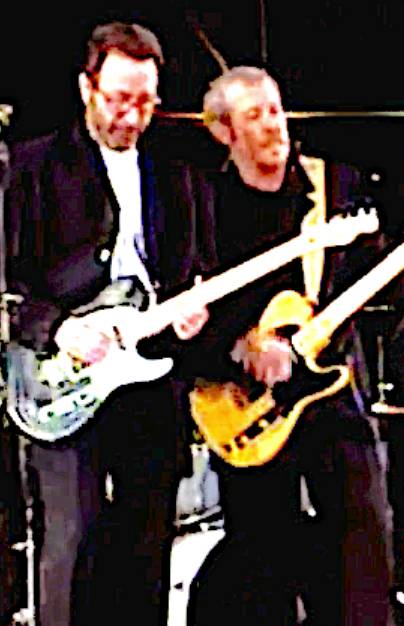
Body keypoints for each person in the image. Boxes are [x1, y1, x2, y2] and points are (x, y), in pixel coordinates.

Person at [185, 65, 404, 626]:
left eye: (275, 110)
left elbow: (372, 276)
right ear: (224, 131)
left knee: (364, 544)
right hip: (249, 408)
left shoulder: (333, 188)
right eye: (254, 116)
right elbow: (187, 313)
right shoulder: (203, 204)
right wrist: (242, 348)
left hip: (334, 393)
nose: (273, 125)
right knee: (261, 559)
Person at [4, 21, 214, 626]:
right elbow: (8, 282)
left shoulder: (177, 174)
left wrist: (193, 310)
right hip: (63, 378)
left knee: (148, 544)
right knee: (73, 543)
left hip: (150, 378)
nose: (132, 116)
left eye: (146, 101)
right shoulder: (33, 168)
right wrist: (58, 329)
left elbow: (193, 270)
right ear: (86, 88)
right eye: (119, 99)